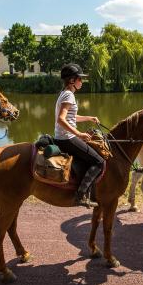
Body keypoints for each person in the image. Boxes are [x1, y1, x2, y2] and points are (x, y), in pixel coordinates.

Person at [53, 63, 105, 208]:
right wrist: (79, 134)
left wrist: (89, 118)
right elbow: (61, 119)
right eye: (79, 79)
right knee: (99, 161)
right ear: (72, 81)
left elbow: (71, 117)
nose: (82, 81)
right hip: (67, 139)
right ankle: (81, 195)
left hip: (63, 137)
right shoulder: (69, 95)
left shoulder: (64, 93)